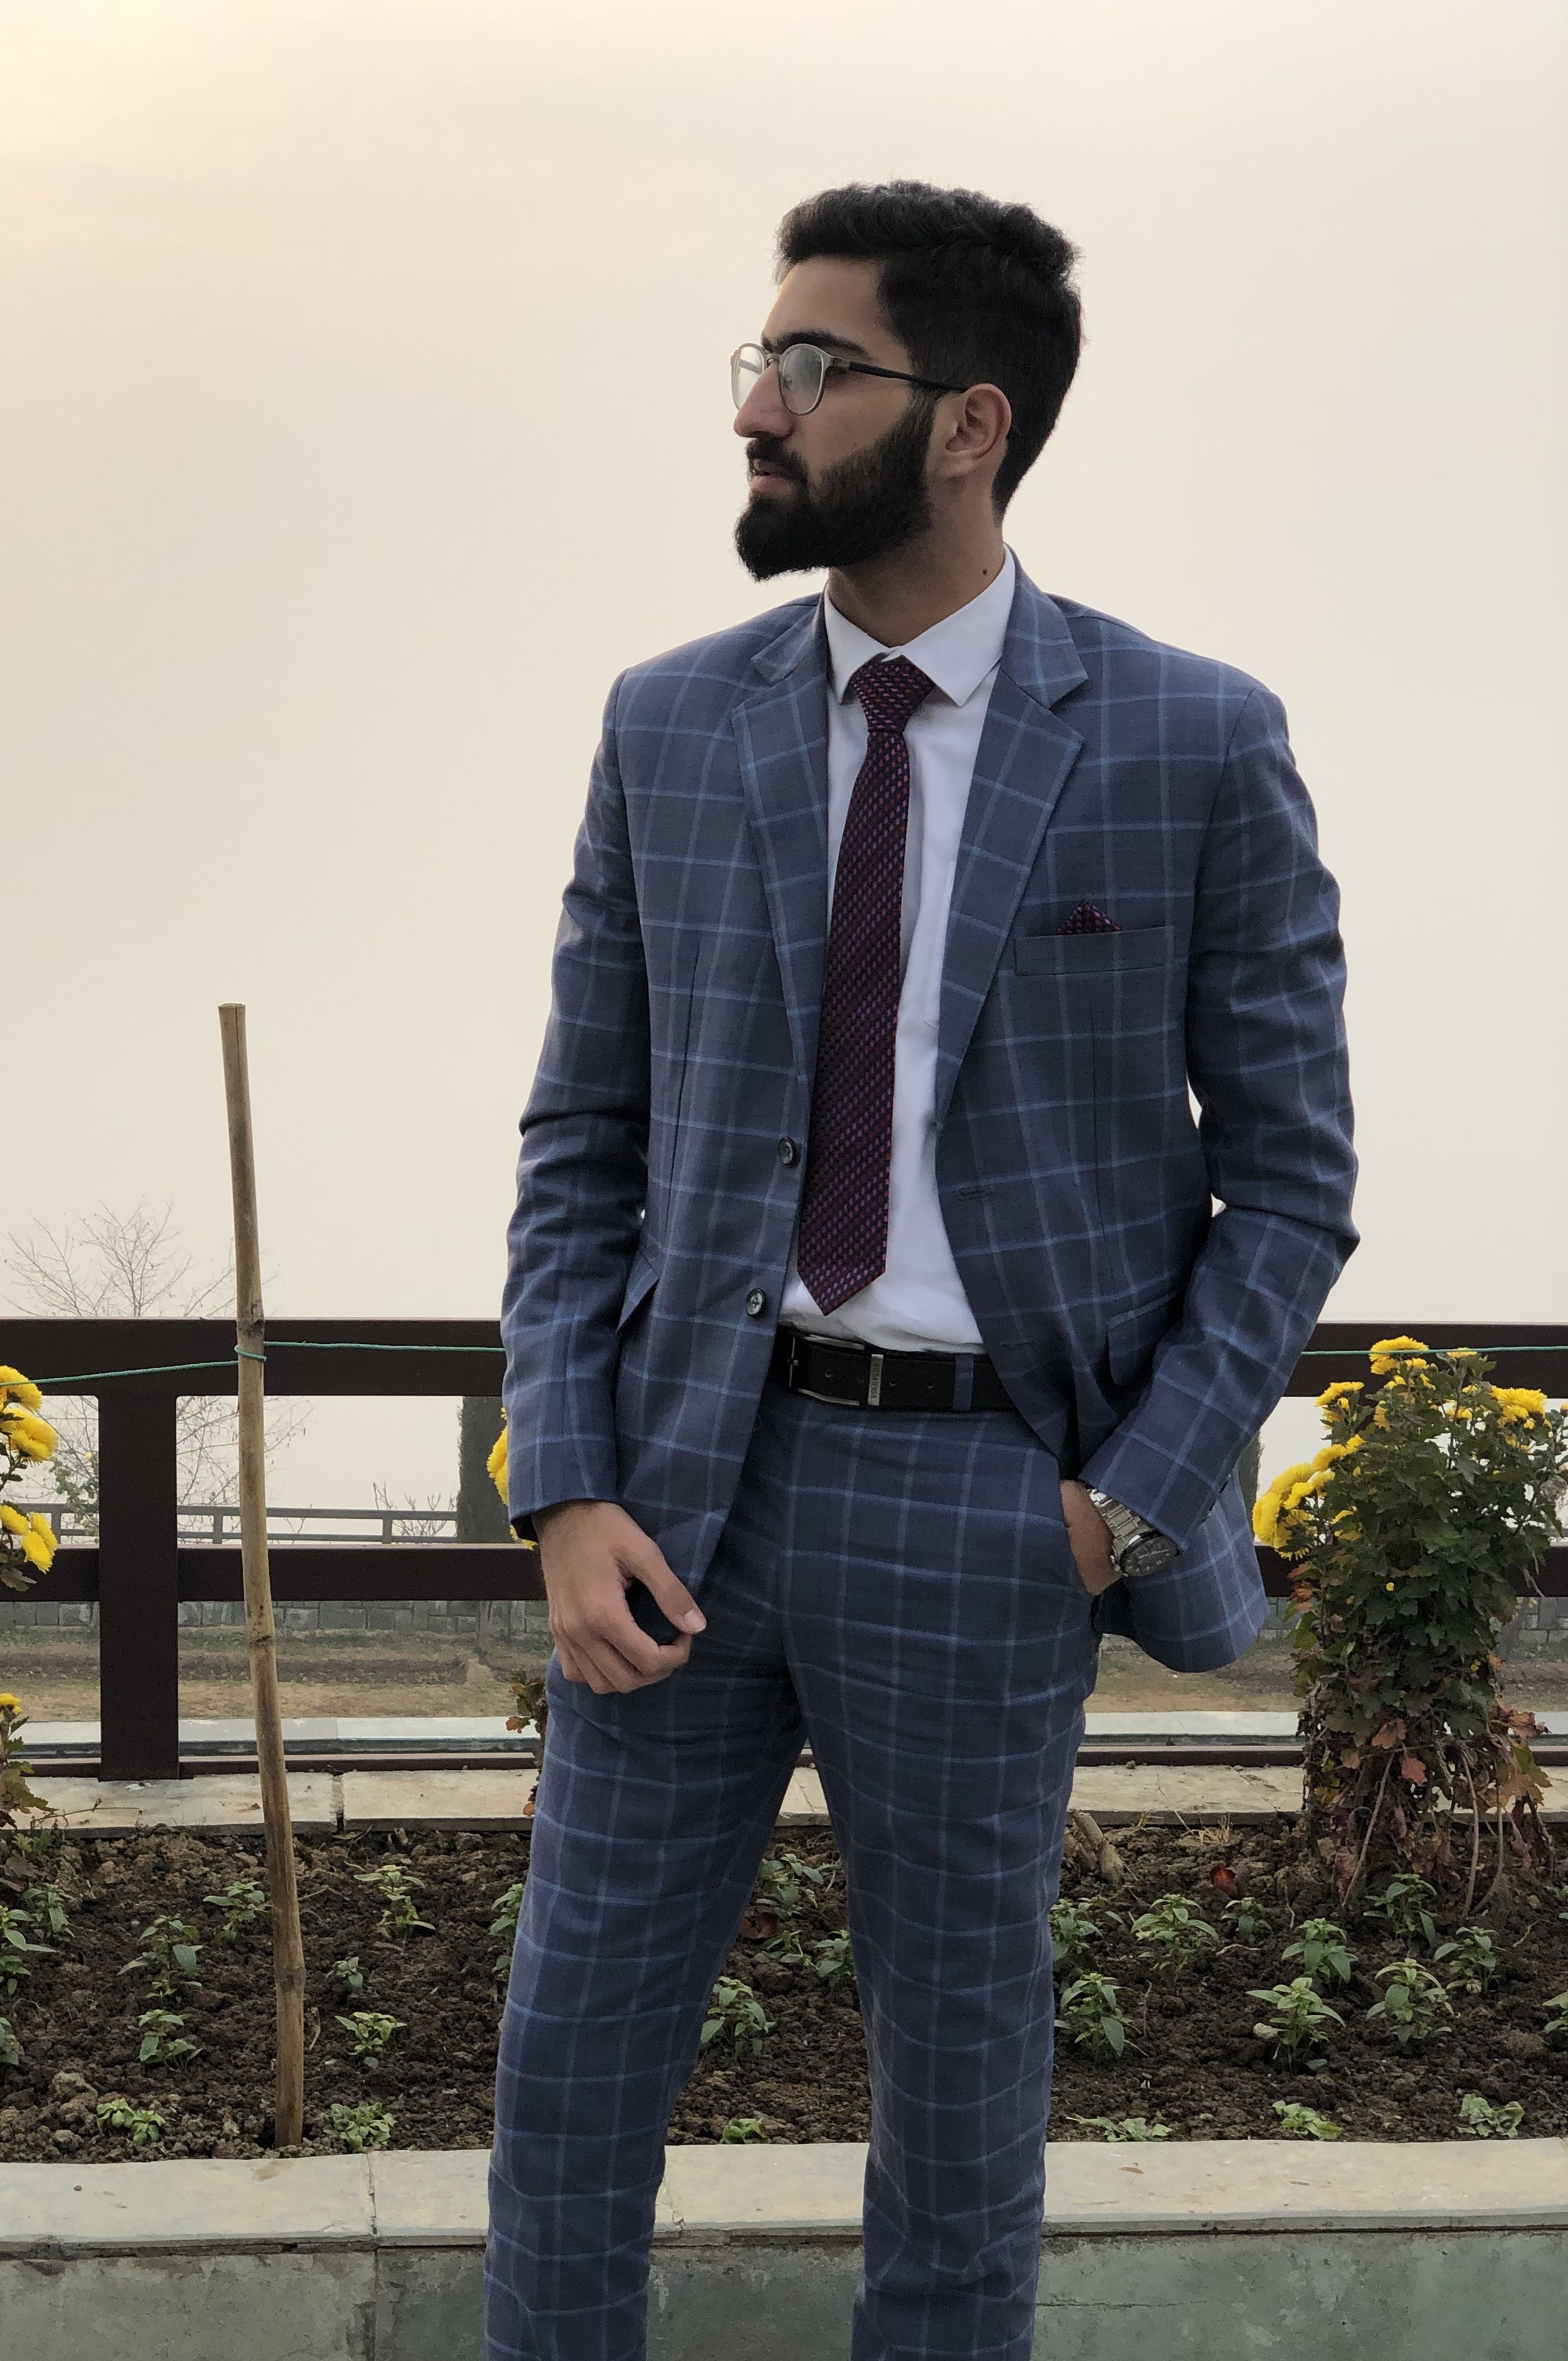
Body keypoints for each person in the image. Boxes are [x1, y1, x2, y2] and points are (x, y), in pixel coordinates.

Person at [486, 179, 1358, 2361]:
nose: (757, 412)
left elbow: (1292, 1183)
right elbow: (584, 1137)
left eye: (814, 369)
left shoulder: (1188, 739)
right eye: (758, 361)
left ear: (970, 424)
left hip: (987, 1508)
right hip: (683, 1491)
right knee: (569, 2069)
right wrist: (565, 1481)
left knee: (958, 2124)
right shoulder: (670, 722)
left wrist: (1118, 1502)